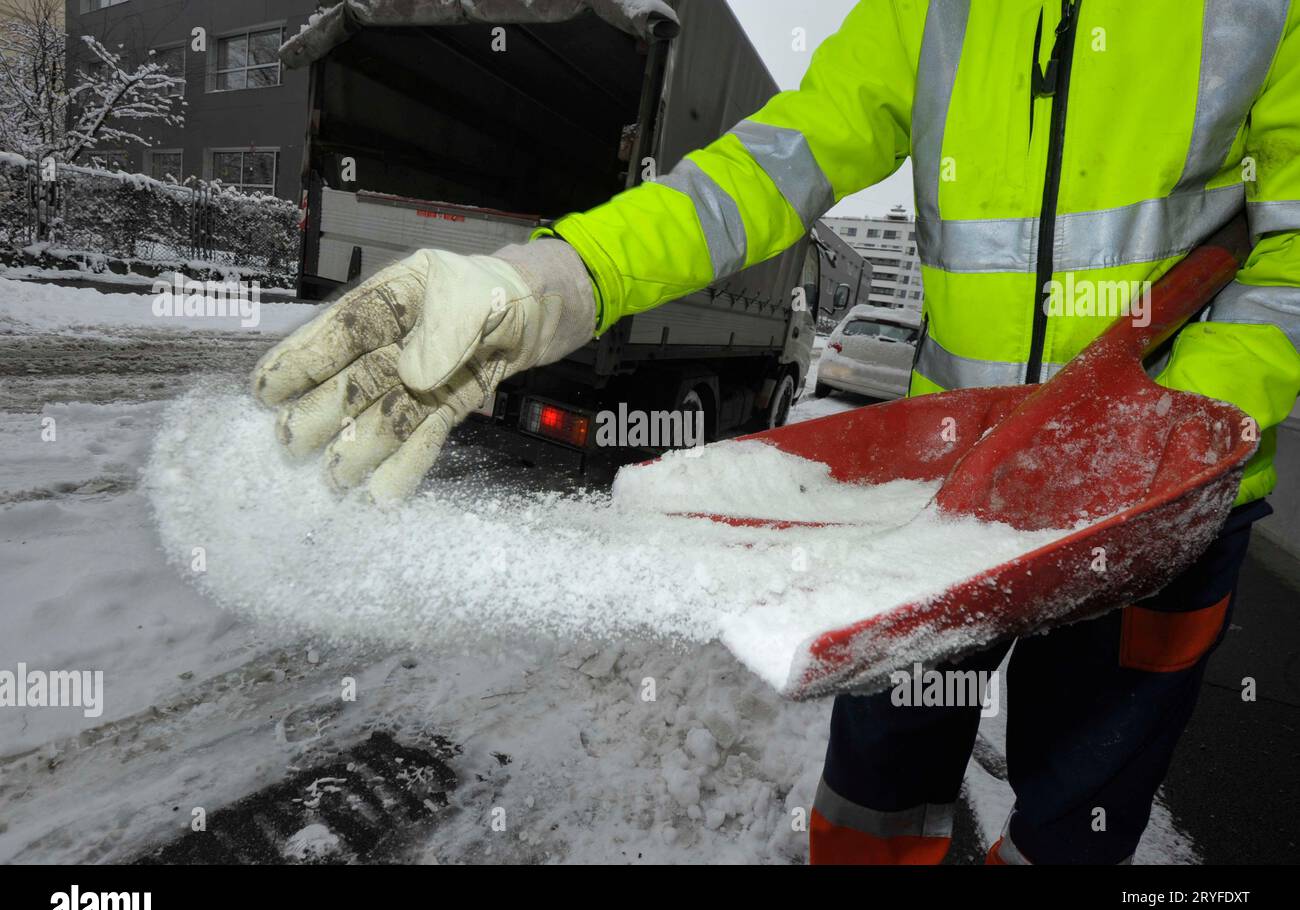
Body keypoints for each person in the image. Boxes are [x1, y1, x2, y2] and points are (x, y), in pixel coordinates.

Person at [251, 0, 1300, 863]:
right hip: (945, 498)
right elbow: (761, 171)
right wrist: (559, 278)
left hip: (1165, 508)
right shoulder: (934, 11)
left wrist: (1179, 419)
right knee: (875, 808)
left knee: (1079, 826)